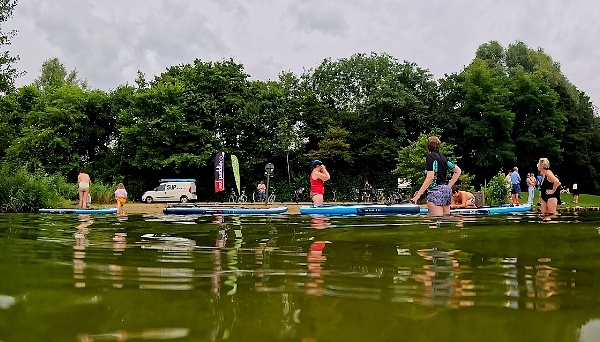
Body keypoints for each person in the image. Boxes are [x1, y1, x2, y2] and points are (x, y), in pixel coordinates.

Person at [411, 136, 461, 215]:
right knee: (445, 220)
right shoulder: (444, 158)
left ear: (428, 146)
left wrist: (418, 195)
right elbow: (457, 171)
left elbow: (430, 177)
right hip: (446, 191)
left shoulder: (430, 157)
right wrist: (449, 185)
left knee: (434, 221)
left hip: (436, 191)